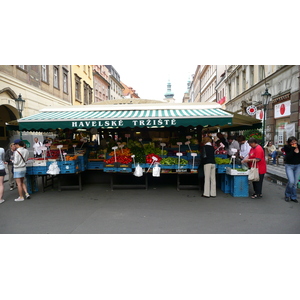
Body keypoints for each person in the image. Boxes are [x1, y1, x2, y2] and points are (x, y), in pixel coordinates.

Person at [283, 136, 300, 203]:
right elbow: (288, 157)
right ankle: (287, 195)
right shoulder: (287, 147)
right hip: (289, 166)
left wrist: (298, 152)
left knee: (295, 183)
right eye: (292, 142)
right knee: (291, 181)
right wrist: (293, 150)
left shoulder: (299, 146)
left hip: (298, 165)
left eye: (295, 141)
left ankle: (293, 197)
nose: (294, 143)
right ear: (289, 143)